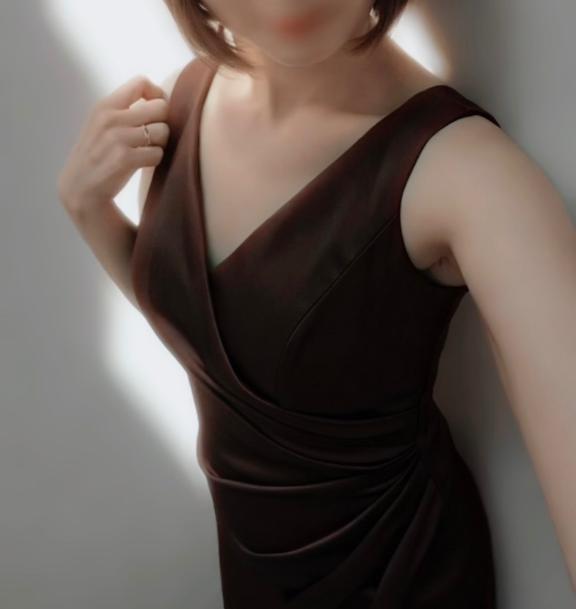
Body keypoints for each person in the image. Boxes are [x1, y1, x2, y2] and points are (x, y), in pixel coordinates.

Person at [58, 0, 576, 606]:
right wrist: (90, 213)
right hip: (252, 580)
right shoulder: (175, 106)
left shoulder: (470, 175)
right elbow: (223, 350)